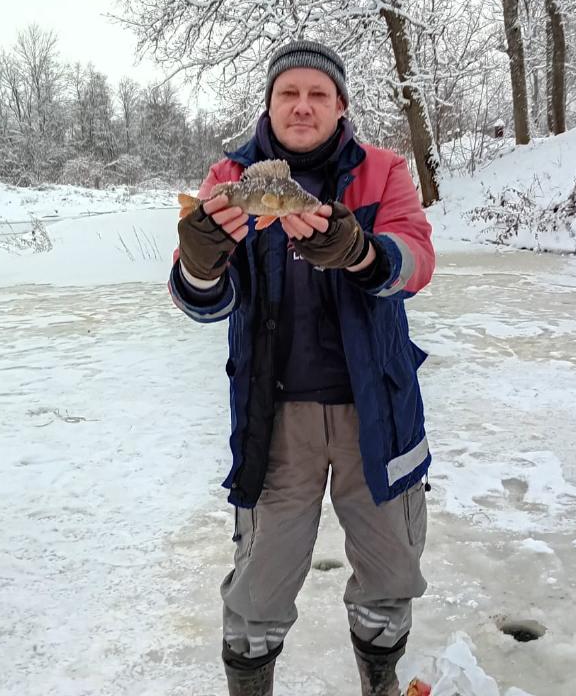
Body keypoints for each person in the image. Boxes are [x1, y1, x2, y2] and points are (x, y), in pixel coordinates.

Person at [168, 40, 435, 696]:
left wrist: (359, 252)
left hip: (378, 410)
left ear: (341, 106)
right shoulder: (230, 177)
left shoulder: (384, 171)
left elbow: (415, 260)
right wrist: (199, 260)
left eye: (319, 94)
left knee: (391, 571)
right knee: (260, 581)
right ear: (269, 104)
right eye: (289, 93)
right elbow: (201, 300)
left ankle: (380, 681)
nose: (303, 106)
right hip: (276, 415)